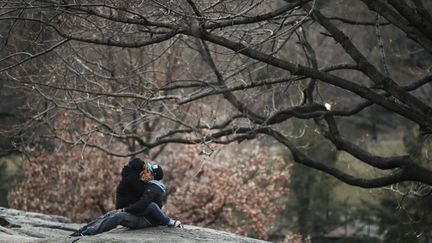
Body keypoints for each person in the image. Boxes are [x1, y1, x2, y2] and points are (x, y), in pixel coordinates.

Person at [70, 158, 181, 237]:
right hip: (141, 215)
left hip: (145, 220)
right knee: (111, 213)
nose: (144, 172)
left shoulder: (153, 188)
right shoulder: (148, 186)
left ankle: (88, 232)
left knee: (119, 216)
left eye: (147, 171)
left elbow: (143, 204)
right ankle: (83, 230)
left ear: (152, 176)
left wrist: (125, 209)